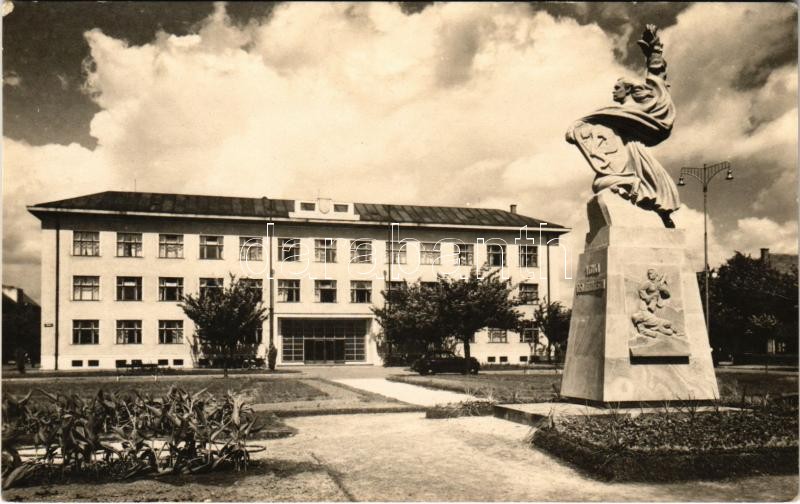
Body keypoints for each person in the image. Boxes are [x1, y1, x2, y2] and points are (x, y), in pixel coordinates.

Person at [567, 25, 680, 228]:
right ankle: (642, 199)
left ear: (627, 91)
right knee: (604, 185)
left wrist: (655, 52)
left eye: (617, 88)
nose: (614, 91)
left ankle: (654, 211)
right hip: (621, 154)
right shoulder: (614, 113)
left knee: (648, 189)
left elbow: (657, 85)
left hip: (633, 153)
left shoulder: (633, 110)